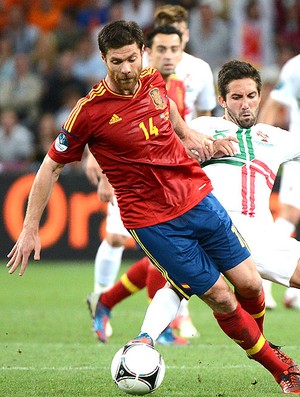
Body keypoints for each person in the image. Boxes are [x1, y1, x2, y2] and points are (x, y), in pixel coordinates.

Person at [6, 20, 300, 394]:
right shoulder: (89, 112)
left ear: (141, 54)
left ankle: (258, 342)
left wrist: (192, 136)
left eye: (131, 59)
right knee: (222, 298)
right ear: (102, 59)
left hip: (197, 199)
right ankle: (282, 369)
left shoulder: (152, 81)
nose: (126, 69)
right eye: (116, 62)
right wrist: (31, 226)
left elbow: (172, 115)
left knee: (251, 284)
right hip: (154, 222)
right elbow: (51, 166)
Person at [94, 59, 300, 350]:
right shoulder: (201, 128)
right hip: (213, 231)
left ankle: (119, 314)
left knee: (177, 281)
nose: (245, 105)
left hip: (263, 237)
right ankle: (142, 342)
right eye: (237, 97)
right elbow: (152, 152)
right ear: (222, 100)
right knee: (177, 284)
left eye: (251, 96)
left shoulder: (277, 138)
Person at [87, 4, 217, 340]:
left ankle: (113, 303)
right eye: (161, 48)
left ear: (185, 38)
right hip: (133, 178)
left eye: (175, 45)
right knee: (137, 243)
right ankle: (118, 305)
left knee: (175, 249)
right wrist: (100, 170)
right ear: (149, 49)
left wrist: (199, 145)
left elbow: (193, 120)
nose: (169, 54)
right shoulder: (132, 78)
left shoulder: (190, 74)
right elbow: (97, 127)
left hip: (175, 174)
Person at [259, 53, 300, 309]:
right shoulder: (296, 67)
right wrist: (257, 145)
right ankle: (263, 280)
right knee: (289, 214)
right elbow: (274, 105)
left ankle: (294, 294)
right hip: (297, 152)